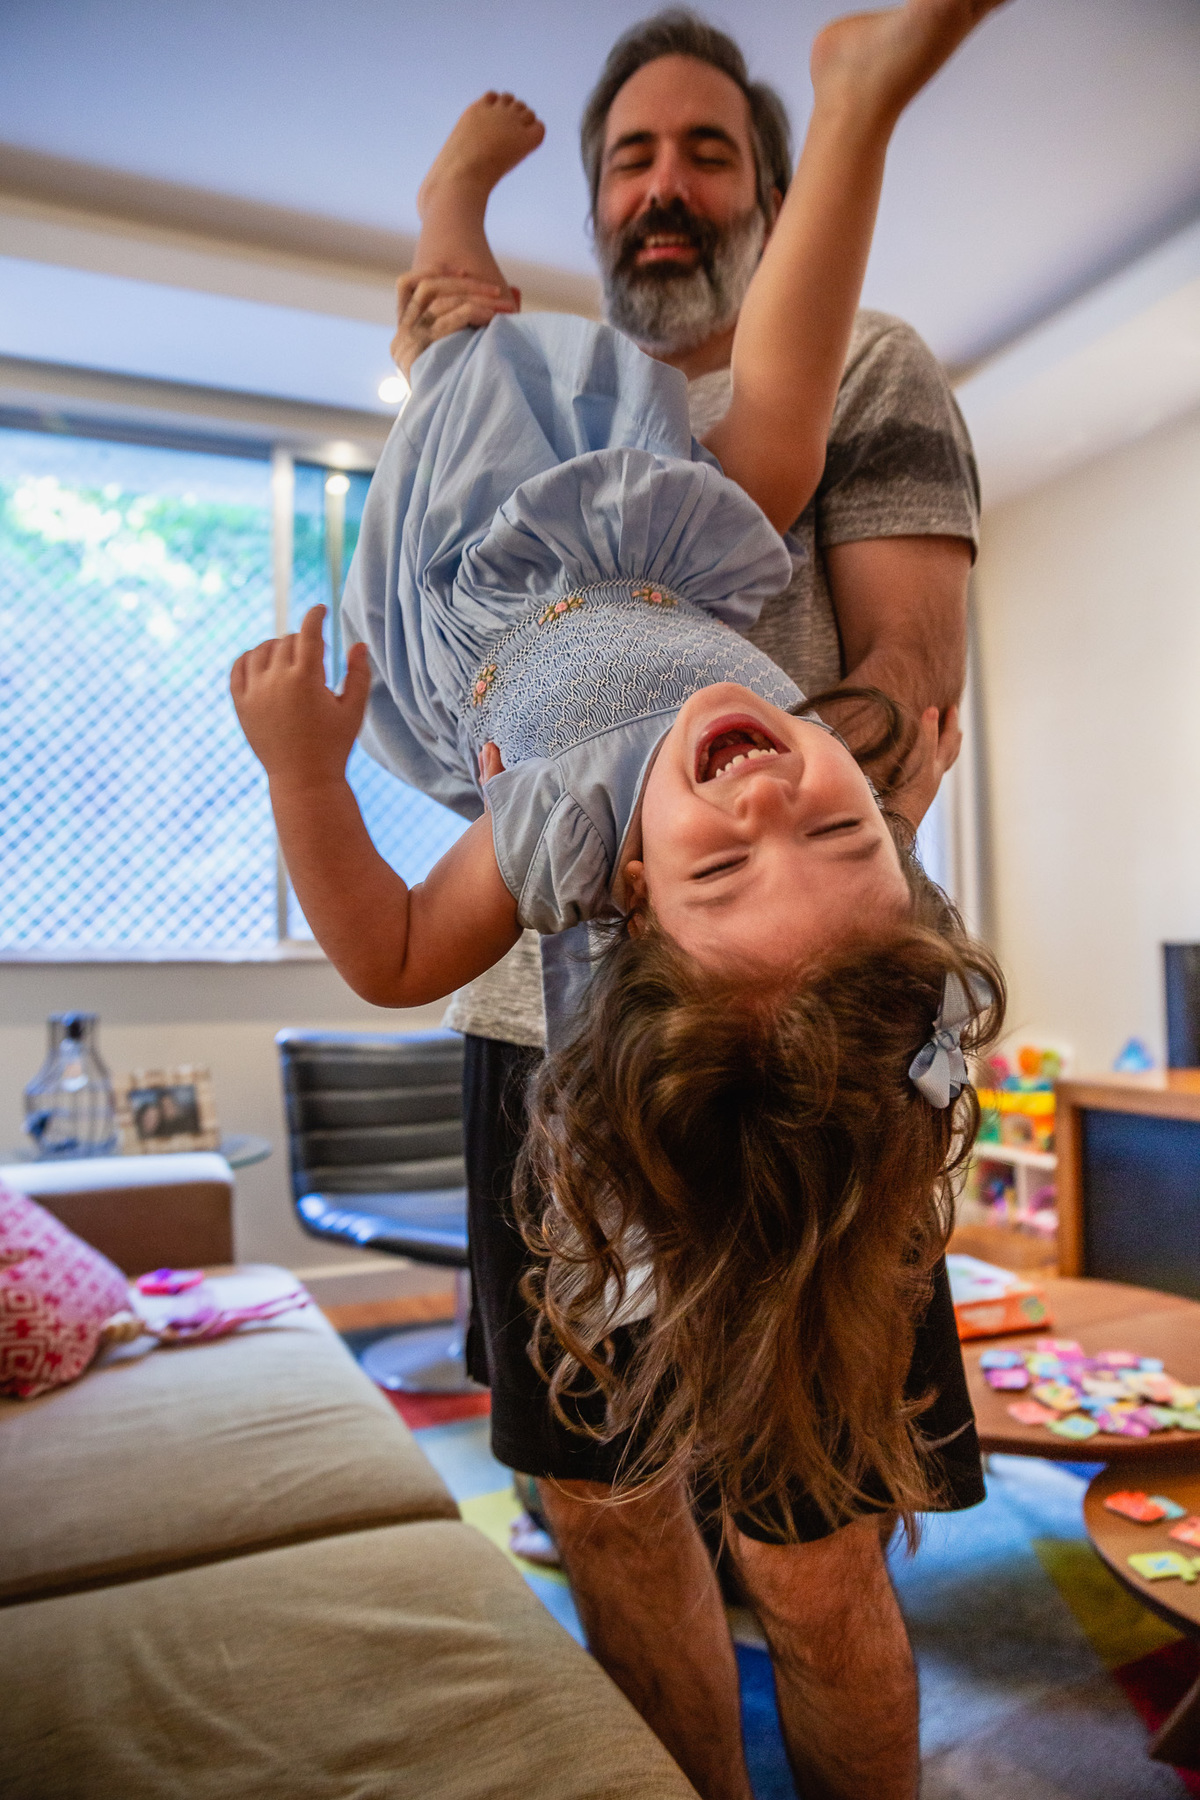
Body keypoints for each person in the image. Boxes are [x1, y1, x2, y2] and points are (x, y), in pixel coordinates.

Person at [233, 7, 1003, 1796]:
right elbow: (889, 756)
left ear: (639, 891)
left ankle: (471, 208)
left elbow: (396, 941)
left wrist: (301, 771)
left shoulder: (583, 829)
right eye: (633, 160)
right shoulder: (782, 767)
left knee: (814, 1545)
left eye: (710, 153)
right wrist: (842, 798)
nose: (766, 793)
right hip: (672, 566)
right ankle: (860, 90)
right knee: (596, 1501)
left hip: (504, 639)